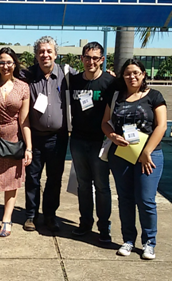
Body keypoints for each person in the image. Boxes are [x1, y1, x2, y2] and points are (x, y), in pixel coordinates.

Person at [101, 58, 167, 260]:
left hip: (148, 155)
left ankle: (149, 242)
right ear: (123, 76)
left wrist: (147, 152)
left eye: (136, 73)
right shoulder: (116, 97)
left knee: (146, 199)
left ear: (143, 74)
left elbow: (161, 126)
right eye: (128, 73)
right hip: (122, 155)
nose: (132, 77)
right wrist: (112, 136)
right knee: (125, 199)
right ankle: (128, 239)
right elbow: (105, 122)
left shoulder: (154, 96)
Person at [0, 47, 32, 237]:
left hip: (13, 140)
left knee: (12, 182)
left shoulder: (23, 87)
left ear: (14, 64)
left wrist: (29, 148)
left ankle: (7, 219)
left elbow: (24, 120)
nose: (5, 66)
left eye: (9, 62)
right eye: (2, 62)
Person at [19, 36, 70, 232]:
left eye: (49, 51)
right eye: (41, 51)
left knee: (54, 178)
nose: (45, 54)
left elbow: (89, 80)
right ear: (36, 55)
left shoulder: (67, 75)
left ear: (56, 54)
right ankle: (31, 215)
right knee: (32, 177)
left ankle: (50, 215)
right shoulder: (27, 75)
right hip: (35, 137)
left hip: (58, 137)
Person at [69, 42, 115, 243]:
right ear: (82, 59)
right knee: (83, 185)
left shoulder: (110, 83)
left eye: (95, 58)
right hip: (78, 141)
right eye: (87, 57)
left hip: (101, 143)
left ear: (102, 60)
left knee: (102, 186)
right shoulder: (74, 81)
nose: (91, 61)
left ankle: (104, 227)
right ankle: (85, 223)